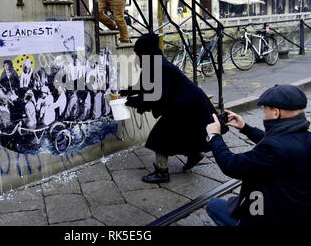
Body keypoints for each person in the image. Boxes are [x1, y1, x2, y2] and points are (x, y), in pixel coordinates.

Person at [205, 84, 311, 226]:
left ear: (276, 113)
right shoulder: (304, 137)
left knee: (213, 205)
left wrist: (214, 136)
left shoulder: (274, 149)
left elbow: (231, 165)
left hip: (272, 217)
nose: (264, 113)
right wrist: (245, 128)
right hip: (297, 211)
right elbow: (280, 145)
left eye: (265, 109)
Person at [120, 34, 218, 183]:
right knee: (183, 133)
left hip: (188, 104)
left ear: (145, 53)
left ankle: (162, 173)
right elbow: (146, 86)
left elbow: (159, 96)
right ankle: (194, 155)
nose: (136, 56)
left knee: (159, 137)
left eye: (138, 53)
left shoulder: (158, 66)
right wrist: (128, 92)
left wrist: (133, 101)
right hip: (189, 102)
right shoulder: (155, 63)